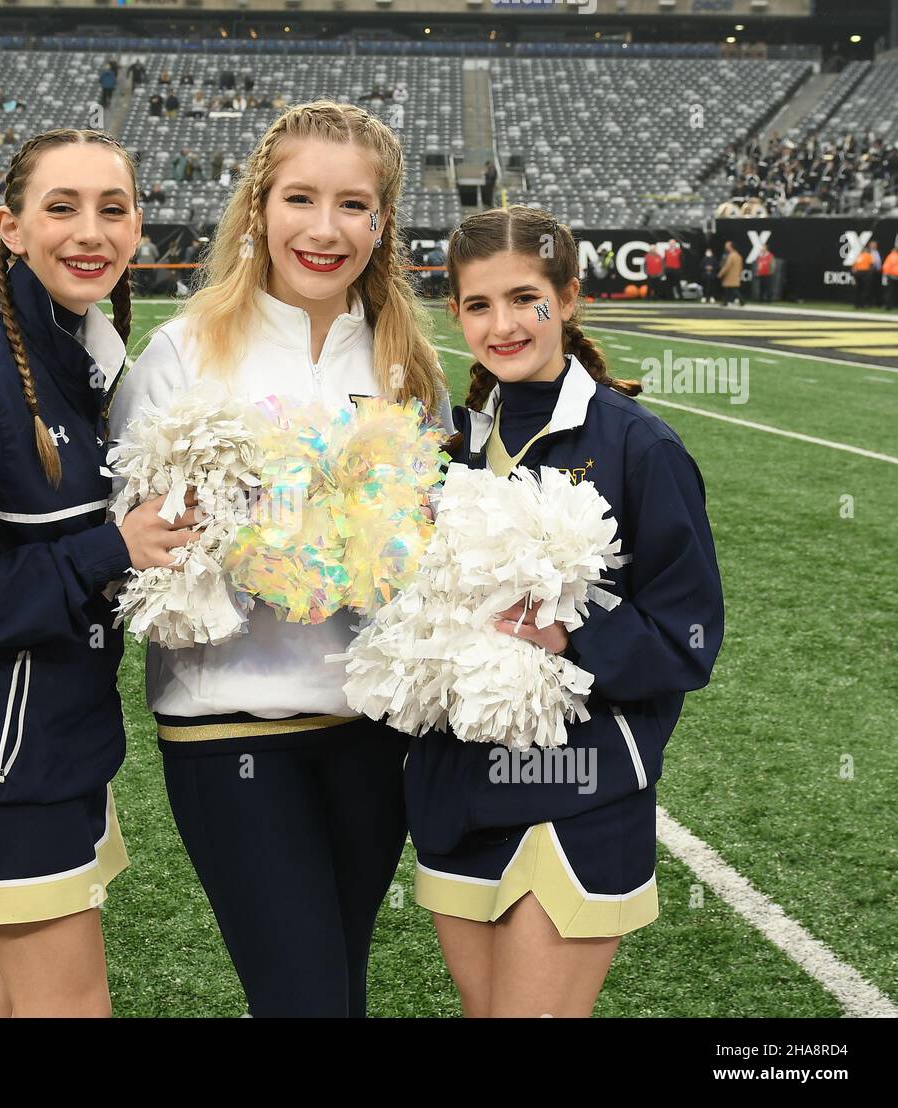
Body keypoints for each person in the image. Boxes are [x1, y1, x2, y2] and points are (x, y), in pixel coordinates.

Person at [109, 99, 452, 1018]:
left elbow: (432, 542)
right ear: (260, 206)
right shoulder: (185, 351)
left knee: (338, 988)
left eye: (354, 206)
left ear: (381, 226)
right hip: (231, 726)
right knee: (305, 999)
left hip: (371, 734)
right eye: (301, 198)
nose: (325, 228)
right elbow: (133, 548)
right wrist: (245, 534)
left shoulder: (404, 364)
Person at [0, 128, 194, 1017]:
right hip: (4, 764)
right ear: (10, 229)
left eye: (113, 209)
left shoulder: (82, 359)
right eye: (61, 208)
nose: (89, 231)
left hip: (48, 747)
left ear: (139, 227)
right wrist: (116, 547)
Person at [412, 205, 723, 1017]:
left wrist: (572, 632)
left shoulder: (638, 446)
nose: (504, 324)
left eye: (526, 299)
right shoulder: (448, 453)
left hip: (575, 789)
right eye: (479, 305)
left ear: (570, 299)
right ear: (455, 314)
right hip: (458, 788)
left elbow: (690, 639)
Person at [718, 240, 743, 306]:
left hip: (729, 275)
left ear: (731, 247)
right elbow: (740, 266)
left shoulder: (731, 256)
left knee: (730, 289)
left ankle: (740, 301)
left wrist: (721, 273)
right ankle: (727, 302)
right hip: (735, 275)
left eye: (727, 246)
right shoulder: (738, 255)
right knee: (731, 289)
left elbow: (727, 266)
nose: (726, 247)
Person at [882, 240, 898, 311]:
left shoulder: (891, 256)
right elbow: (886, 266)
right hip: (892, 276)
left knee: (891, 292)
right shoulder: (891, 256)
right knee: (890, 293)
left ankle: (891, 306)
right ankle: (888, 306)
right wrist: (887, 274)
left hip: (893, 276)